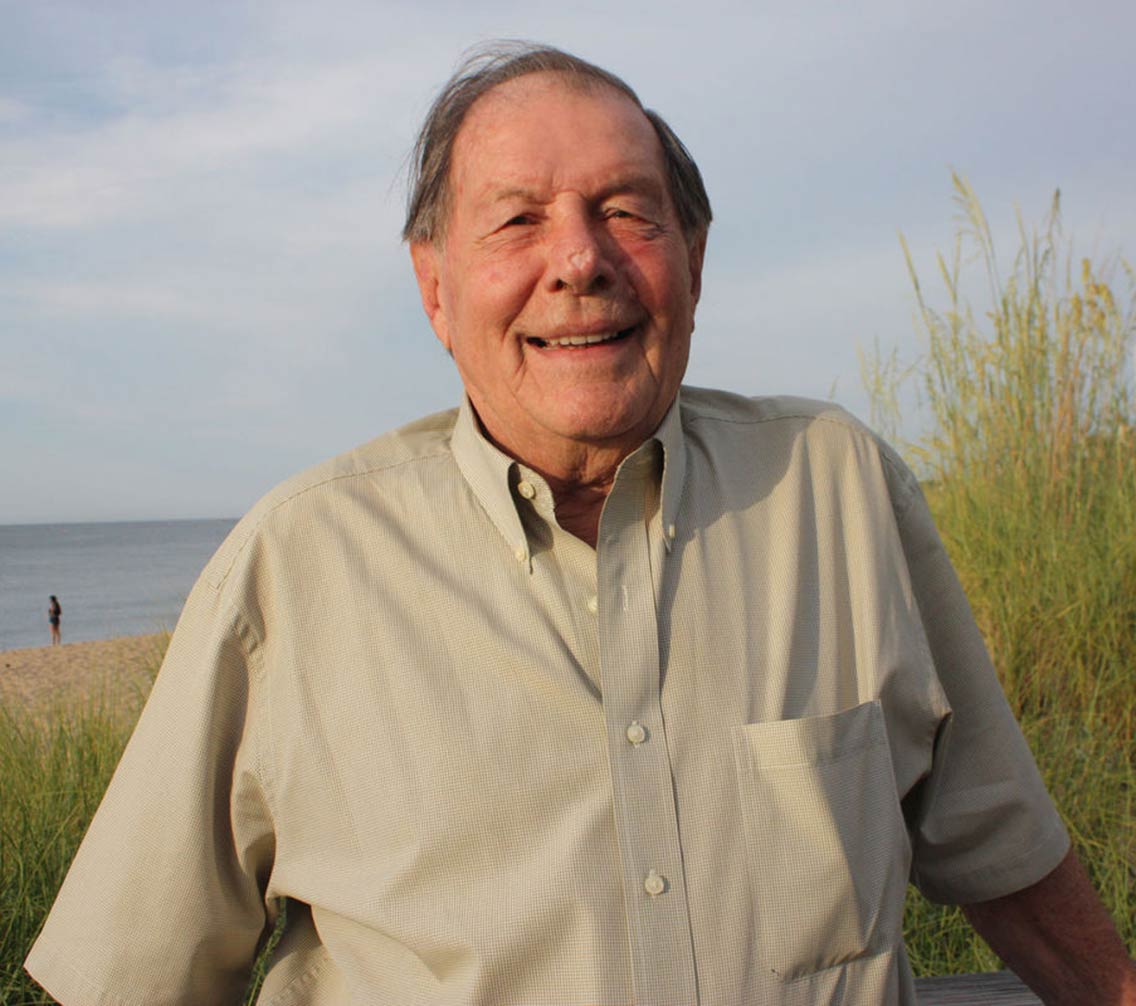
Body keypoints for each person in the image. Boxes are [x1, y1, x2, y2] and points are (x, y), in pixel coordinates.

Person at [26, 43, 1135, 1006]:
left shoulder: (835, 490)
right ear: (434, 288)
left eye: (624, 211)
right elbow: (140, 971)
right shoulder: (294, 567)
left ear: (691, 261)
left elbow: (1001, 849)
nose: (578, 260)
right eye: (517, 220)